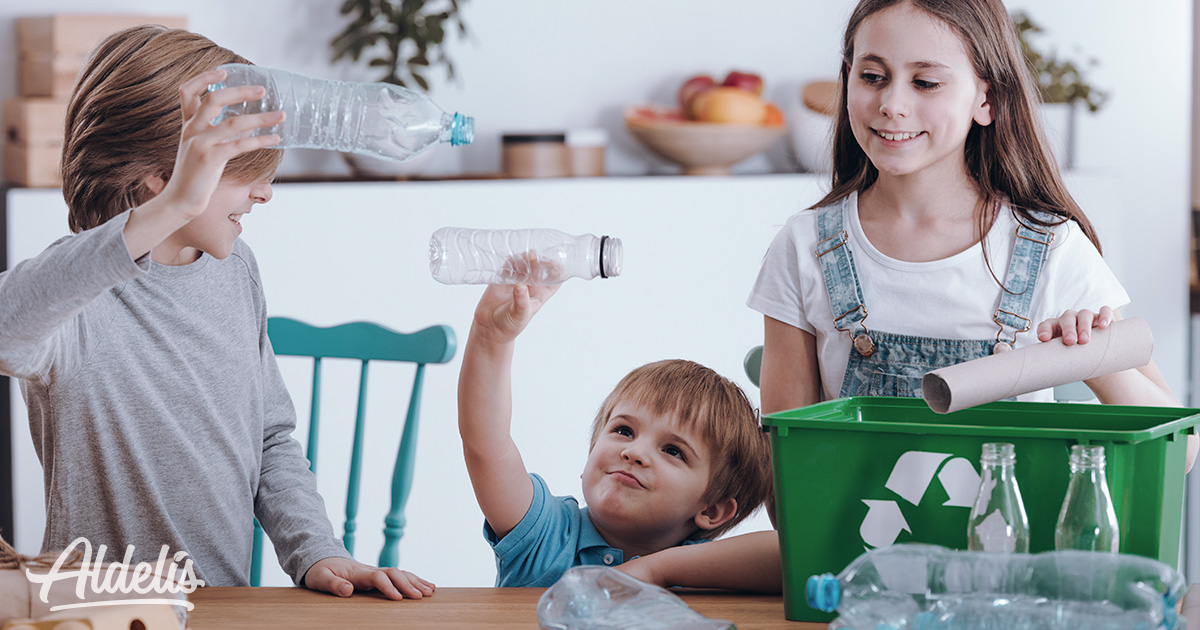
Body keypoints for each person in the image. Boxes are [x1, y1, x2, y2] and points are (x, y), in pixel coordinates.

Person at [0, 25, 433, 597]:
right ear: (161, 179)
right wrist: (177, 203)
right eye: (243, 170)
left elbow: (270, 438)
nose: (265, 193)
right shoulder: (76, 296)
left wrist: (316, 550)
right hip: (97, 611)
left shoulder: (236, 270)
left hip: (220, 604)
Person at [747, 0, 1196, 469]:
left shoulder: (1051, 249)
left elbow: (1181, 453)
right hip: (854, 545)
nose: (891, 105)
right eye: (872, 76)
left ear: (988, 99)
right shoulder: (806, 247)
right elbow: (785, 483)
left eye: (926, 82)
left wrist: (1094, 360)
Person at [457, 283, 777, 590]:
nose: (634, 451)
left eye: (673, 450)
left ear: (712, 510)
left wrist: (657, 570)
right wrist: (491, 338)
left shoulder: (704, 572)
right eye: (623, 431)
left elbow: (796, 556)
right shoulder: (545, 535)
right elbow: (488, 448)